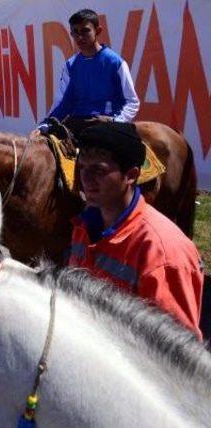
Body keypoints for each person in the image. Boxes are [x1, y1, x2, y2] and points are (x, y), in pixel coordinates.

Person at [68, 122, 204, 339]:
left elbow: (175, 353)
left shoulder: (162, 251)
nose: (85, 179)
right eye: (82, 167)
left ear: (131, 175)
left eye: (99, 170)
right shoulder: (83, 227)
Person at [45, 9, 140, 137]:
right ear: (71, 34)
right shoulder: (70, 66)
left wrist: (114, 121)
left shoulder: (115, 62)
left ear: (98, 31)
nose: (80, 37)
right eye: (75, 32)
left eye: (85, 31)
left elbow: (132, 102)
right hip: (76, 127)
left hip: (107, 128)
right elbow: (61, 103)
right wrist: (45, 125)